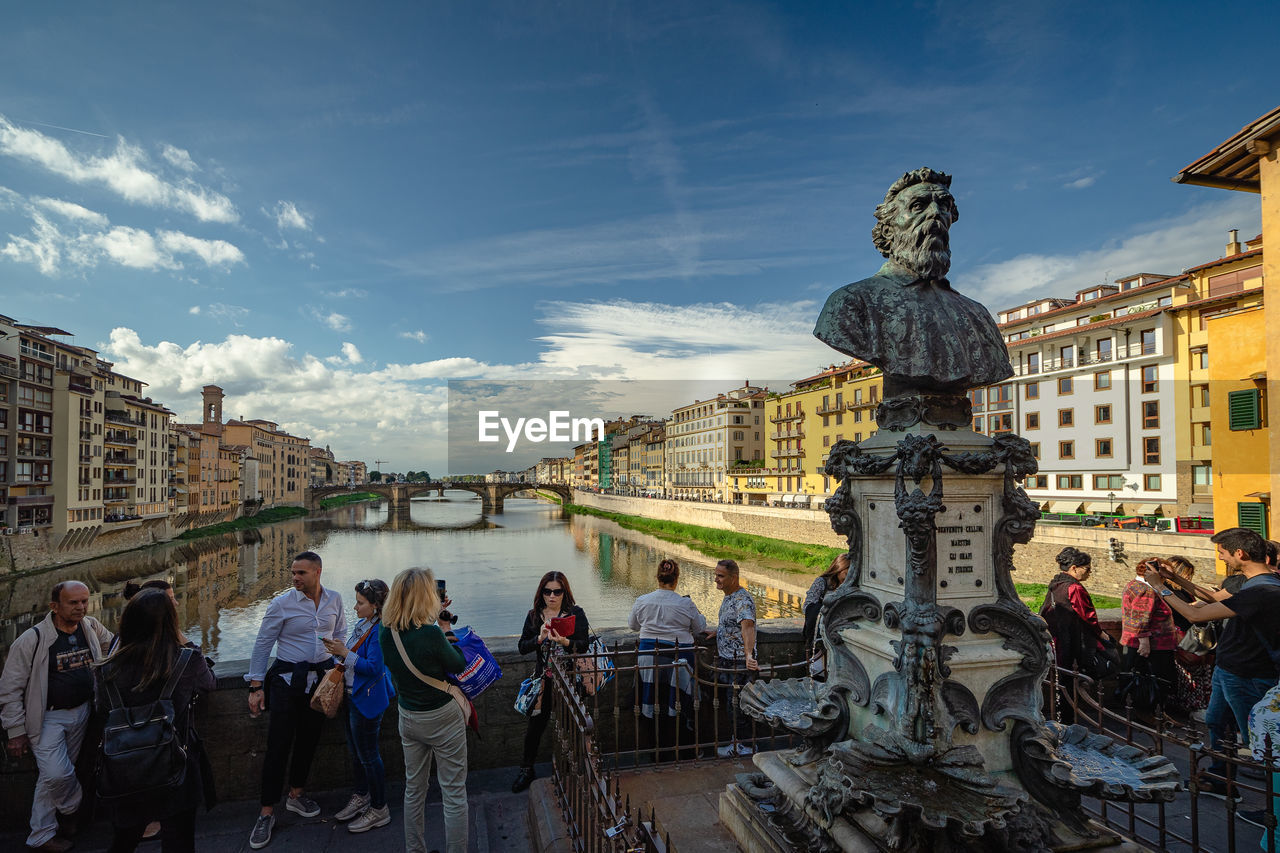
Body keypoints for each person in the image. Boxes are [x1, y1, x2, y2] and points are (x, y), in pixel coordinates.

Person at [813, 167, 1013, 400]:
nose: (935, 214)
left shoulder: (977, 314)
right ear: (889, 230)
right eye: (919, 206)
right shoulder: (851, 302)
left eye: (944, 206)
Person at [1143, 527, 1280, 800]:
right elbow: (1211, 600)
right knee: (1217, 723)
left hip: (1247, 674)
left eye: (1223, 553)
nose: (1221, 558)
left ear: (1239, 554)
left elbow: (1195, 614)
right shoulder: (1251, 584)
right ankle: (1222, 780)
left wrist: (1158, 586)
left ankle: (1271, 811)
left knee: (1260, 743)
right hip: (1230, 670)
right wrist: (1175, 580)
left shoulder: (1262, 591)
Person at [94, 589, 216, 853]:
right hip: (175, 760)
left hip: (124, 762)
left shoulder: (106, 669)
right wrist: (184, 641)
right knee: (179, 840)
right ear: (171, 621)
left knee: (124, 839)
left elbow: (102, 711)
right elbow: (208, 684)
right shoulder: (187, 660)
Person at [1, 580, 113, 853]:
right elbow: (10, 688)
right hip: (47, 719)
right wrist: (15, 732)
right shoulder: (31, 640)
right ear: (54, 606)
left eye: (84, 601)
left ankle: (41, 836)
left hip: (84, 713)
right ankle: (73, 808)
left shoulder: (91, 627)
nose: (81, 607)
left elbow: (115, 647)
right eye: (73, 602)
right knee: (58, 774)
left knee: (48, 780)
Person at [244, 551, 346, 849]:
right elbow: (263, 643)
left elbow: (340, 635)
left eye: (301, 572)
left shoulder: (334, 600)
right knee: (278, 746)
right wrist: (255, 685)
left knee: (308, 741)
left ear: (318, 572)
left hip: (320, 685)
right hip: (288, 684)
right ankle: (265, 813)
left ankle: (296, 795)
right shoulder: (281, 604)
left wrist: (340, 668)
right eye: (293, 572)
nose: (295, 577)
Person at [380, 567, 468, 853]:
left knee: (414, 790)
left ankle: (414, 849)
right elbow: (457, 663)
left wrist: (433, 615)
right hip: (441, 716)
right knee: (453, 793)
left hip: (408, 716)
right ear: (425, 596)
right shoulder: (431, 634)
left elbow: (412, 637)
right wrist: (446, 628)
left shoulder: (385, 632)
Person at [323, 579, 394, 833]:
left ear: (375, 606)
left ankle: (379, 808)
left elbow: (374, 668)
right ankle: (362, 796)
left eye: (360, 603)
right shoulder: (363, 624)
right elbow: (353, 656)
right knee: (357, 755)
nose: (355, 607)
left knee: (369, 756)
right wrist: (337, 652)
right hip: (353, 696)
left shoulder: (380, 630)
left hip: (367, 700)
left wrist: (344, 652)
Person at [511, 571, 589, 793]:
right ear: (541, 593)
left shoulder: (575, 614)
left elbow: (583, 645)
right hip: (544, 682)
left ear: (565, 592)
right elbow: (522, 647)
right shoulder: (535, 616)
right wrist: (540, 638)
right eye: (547, 591)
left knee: (572, 725)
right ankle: (527, 769)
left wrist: (564, 640)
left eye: (557, 591)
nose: (552, 596)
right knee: (535, 727)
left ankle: (572, 769)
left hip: (570, 680)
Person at [629, 559, 707, 755]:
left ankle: (654, 748)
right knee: (679, 703)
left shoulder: (642, 600)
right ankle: (682, 747)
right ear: (677, 579)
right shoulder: (686, 603)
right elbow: (700, 628)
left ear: (657, 577)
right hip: (679, 658)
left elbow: (633, 626)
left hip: (649, 656)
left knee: (652, 700)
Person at [1040, 547, 1105, 723]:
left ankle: (1061, 718)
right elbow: (1088, 616)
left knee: (1060, 681)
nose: (1089, 573)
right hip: (1071, 641)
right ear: (1074, 568)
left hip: (1057, 639)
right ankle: (1067, 721)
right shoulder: (1074, 587)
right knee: (1069, 682)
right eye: (1087, 569)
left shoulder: (1057, 584)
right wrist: (1101, 634)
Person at [706, 559, 758, 756]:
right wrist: (719, 631)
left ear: (733, 578)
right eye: (716, 574)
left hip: (738, 663)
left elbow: (748, 627)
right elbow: (733, 624)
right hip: (728, 660)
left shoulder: (742, 600)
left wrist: (748, 655)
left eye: (720, 576)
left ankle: (746, 745)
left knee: (737, 707)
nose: (715, 579)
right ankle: (737, 742)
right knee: (730, 705)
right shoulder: (729, 596)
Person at [1119, 559, 1178, 710]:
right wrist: (1144, 643)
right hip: (1153, 646)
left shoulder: (1133, 584)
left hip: (1134, 643)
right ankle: (1153, 715)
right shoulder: (1147, 589)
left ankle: (1145, 713)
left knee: (1138, 682)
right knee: (1155, 684)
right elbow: (1140, 617)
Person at [802, 553, 850, 653]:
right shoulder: (822, 582)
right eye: (846, 574)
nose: (848, 578)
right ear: (838, 569)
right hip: (821, 633)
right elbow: (807, 606)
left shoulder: (850, 586)